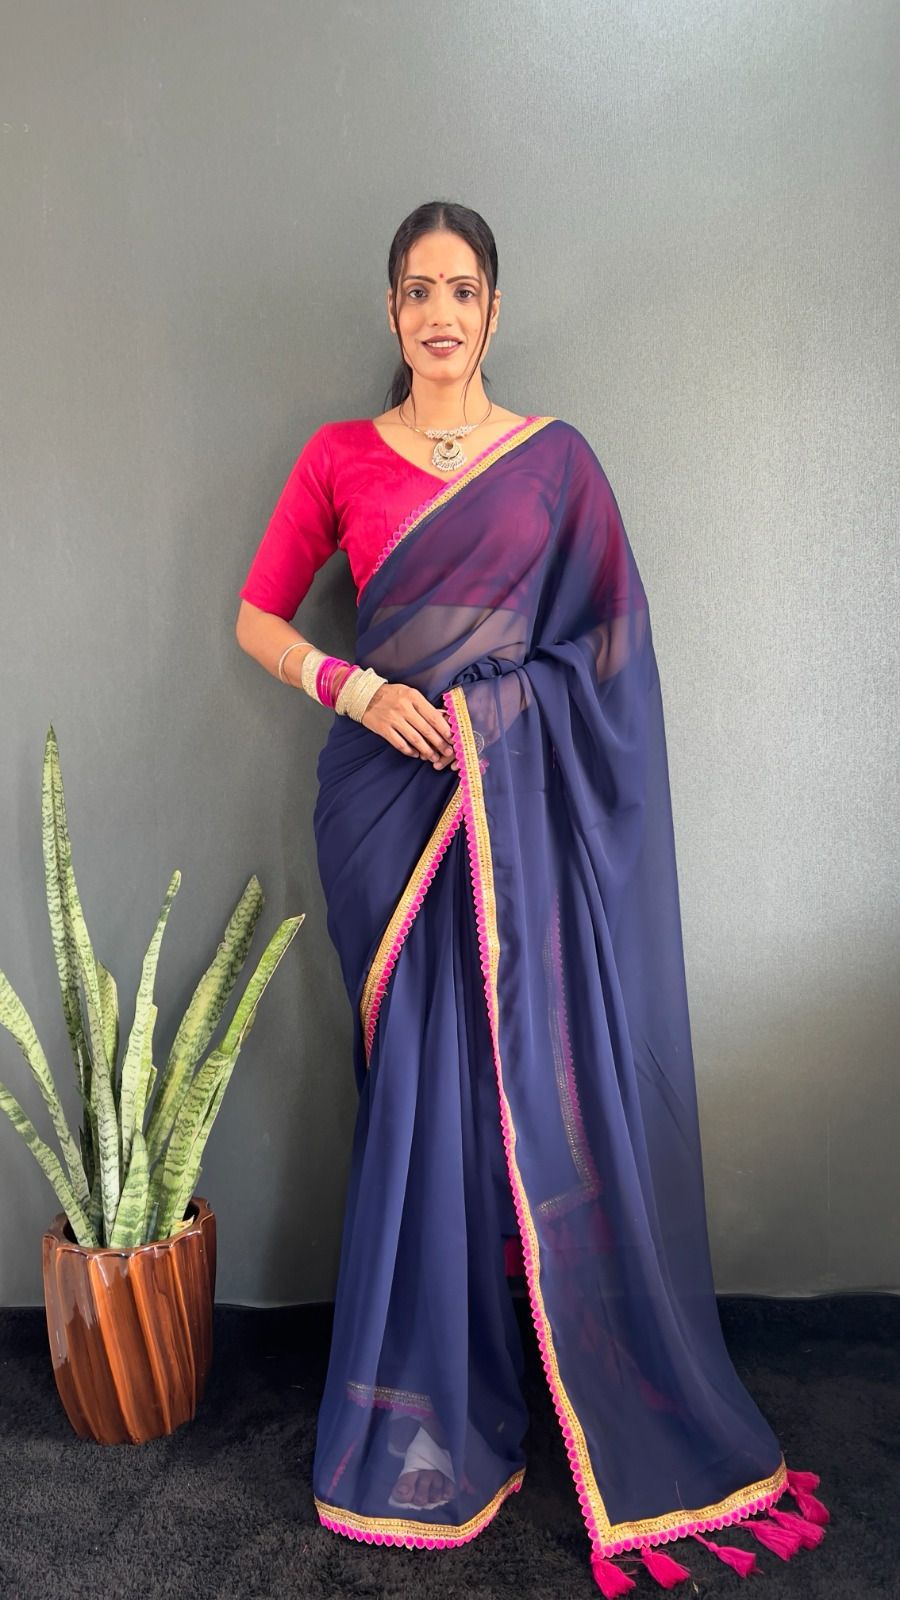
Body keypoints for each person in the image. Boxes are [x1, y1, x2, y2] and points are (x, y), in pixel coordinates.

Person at [235, 201, 828, 1594]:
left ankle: (534, 1372)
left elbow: (613, 651)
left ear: (493, 310)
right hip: (385, 813)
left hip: (511, 810)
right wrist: (356, 688)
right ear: (392, 312)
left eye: (463, 289)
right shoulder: (337, 457)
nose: (440, 312)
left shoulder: (556, 463)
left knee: (510, 1074)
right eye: (417, 290)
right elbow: (258, 616)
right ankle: (425, 1395)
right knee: (420, 1086)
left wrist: (503, 714)